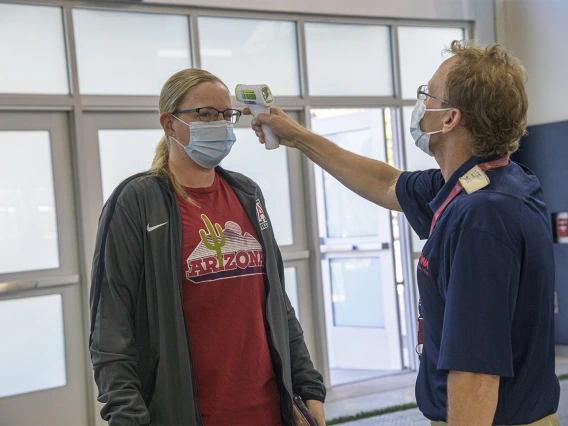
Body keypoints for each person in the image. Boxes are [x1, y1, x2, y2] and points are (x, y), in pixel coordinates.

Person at [248, 40, 560, 426]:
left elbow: (476, 374)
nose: (421, 104)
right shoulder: (487, 183)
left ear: (450, 119)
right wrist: (295, 135)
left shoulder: (481, 218)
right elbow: (385, 182)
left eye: (427, 95)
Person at [89, 68, 326, 426]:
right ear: (169, 125)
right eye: (205, 114)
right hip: (188, 413)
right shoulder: (138, 201)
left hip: (267, 411)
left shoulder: (247, 194)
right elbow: (111, 326)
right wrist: (127, 416)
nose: (220, 124)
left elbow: (278, 302)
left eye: (226, 115)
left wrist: (308, 387)